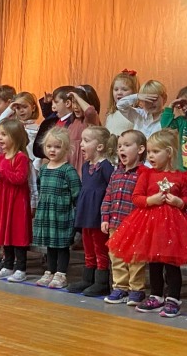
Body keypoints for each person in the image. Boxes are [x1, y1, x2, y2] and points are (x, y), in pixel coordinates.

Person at [108, 129, 187, 318]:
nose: (151, 156)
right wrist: (152, 200)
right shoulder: (147, 174)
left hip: (173, 227)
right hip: (151, 225)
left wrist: (179, 203)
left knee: (172, 264)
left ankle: (173, 298)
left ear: (169, 152)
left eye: (155, 152)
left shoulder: (180, 177)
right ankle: (156, 296)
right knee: (154, 263)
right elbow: (137, 198)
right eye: (149, 152)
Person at [101, 130, 148, 305]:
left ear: (141, 149)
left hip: (135, 225)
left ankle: (137, 289)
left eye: (127, 145)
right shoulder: (116, 173)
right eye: (120, 146)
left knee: (135, 259)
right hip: (115, 223)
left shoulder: (144, 173)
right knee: (116, 257)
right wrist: (105, 218)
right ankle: (120, 287)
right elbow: (108, 196)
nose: (122, 149)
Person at [68, 127, 116, 296]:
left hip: (98, 215)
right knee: (88, 247)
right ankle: (87, 279)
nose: (81, 144)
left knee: (99, 248)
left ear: (100, 146)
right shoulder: (87, 166)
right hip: (86, 213)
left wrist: (107, 214)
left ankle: (101, 282)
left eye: (86, 141)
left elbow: (111, 190)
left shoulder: (106, 167)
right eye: (82, 140)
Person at [33, 127, 82, 289]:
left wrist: (75, 216)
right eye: (49, 146)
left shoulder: (68, 170)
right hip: (47, 214)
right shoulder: (44, 170)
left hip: (61, 214)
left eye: (57, 147)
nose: (52, 150)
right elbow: (40, 189)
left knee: (61, 246)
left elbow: (77, 194)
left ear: (66, 149)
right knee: (50, 245)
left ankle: (61, 274)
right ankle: (50, 270)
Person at [0, 119, 33, 282]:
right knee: (6, 232)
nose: (0, 138)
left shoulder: (21, 158)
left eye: (4, 135)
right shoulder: (1, 158)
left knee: (17, 233)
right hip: (4, 200)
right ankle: (7, 265)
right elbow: (0, 181)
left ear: (14, 136)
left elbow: (20, 178)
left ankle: (21, 268)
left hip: (17, 202)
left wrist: (0, 172)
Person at [161, 84, 187, 173]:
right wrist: (171, 106)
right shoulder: (181, 121)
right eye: (181, 105)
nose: (184, 107)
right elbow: (165, 126)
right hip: (181, 170)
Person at [0, 91, 41, 170]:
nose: (21, 110)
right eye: (18, 108)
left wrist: (36, 165)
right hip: (14, 163)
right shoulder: (14, 126)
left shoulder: (38, 128)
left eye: (24, 107)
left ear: (33, 108)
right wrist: (10, 108)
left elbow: (41, 149)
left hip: (31, 165)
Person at [33, 86, 76, 161]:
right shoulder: (57, 118)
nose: (53, 107)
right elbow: (49, 116)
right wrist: (46, 104)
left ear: (68, 103)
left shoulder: (72, 122)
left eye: (56, 102)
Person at [67, 86, 101, 175]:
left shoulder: (91, 120)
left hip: (84, 165)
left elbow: (89, 112)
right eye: (73, 102)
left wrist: (77, 97)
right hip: (71, 165)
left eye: (78, 103)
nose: (75, 107)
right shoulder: (73, 122)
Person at [105, 69, 139, 136]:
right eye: (116, 89)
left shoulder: (136, 113)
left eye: (124, 89)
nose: (119, 92)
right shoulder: (111, 113)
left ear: (134, 92)